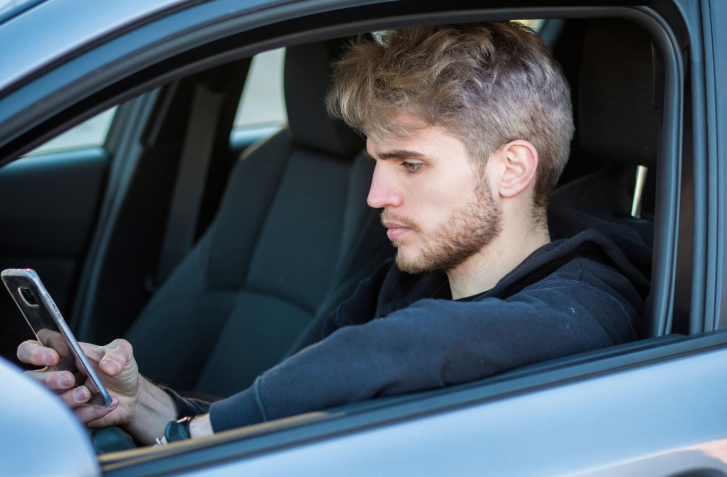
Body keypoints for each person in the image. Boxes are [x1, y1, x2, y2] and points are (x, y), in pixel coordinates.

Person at [17, 22, 648, 445]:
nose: (376, 196)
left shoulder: (587, 303)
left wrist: (190, 443)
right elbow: (279, 406)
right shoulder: (405, 283)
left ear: (511, 168)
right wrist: (143, 405)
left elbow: (399, 352)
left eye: (410, 164)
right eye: (376, 162)